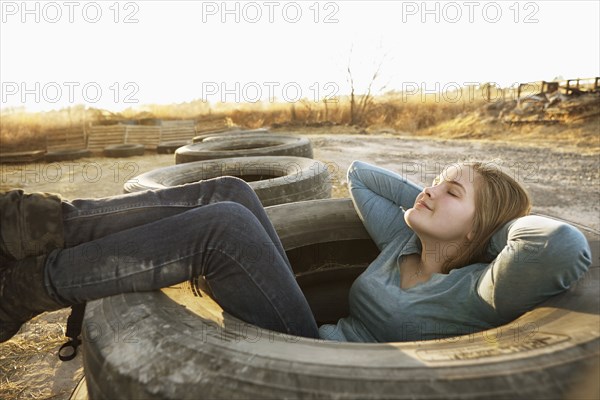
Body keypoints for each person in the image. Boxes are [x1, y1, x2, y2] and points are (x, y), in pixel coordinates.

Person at [0, 162, 592, 344]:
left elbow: (560, 244)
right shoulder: (401, 246)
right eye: (433, 181)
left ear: (481, 230)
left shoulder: (480, 291)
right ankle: (28, 223)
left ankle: (27, 289)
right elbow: (362, 177)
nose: (429, 190)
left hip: (325, 366)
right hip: (312, 330)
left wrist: (489, 233)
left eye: (449, 191)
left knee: (227, 229)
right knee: (235, 193)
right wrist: (442, 199)